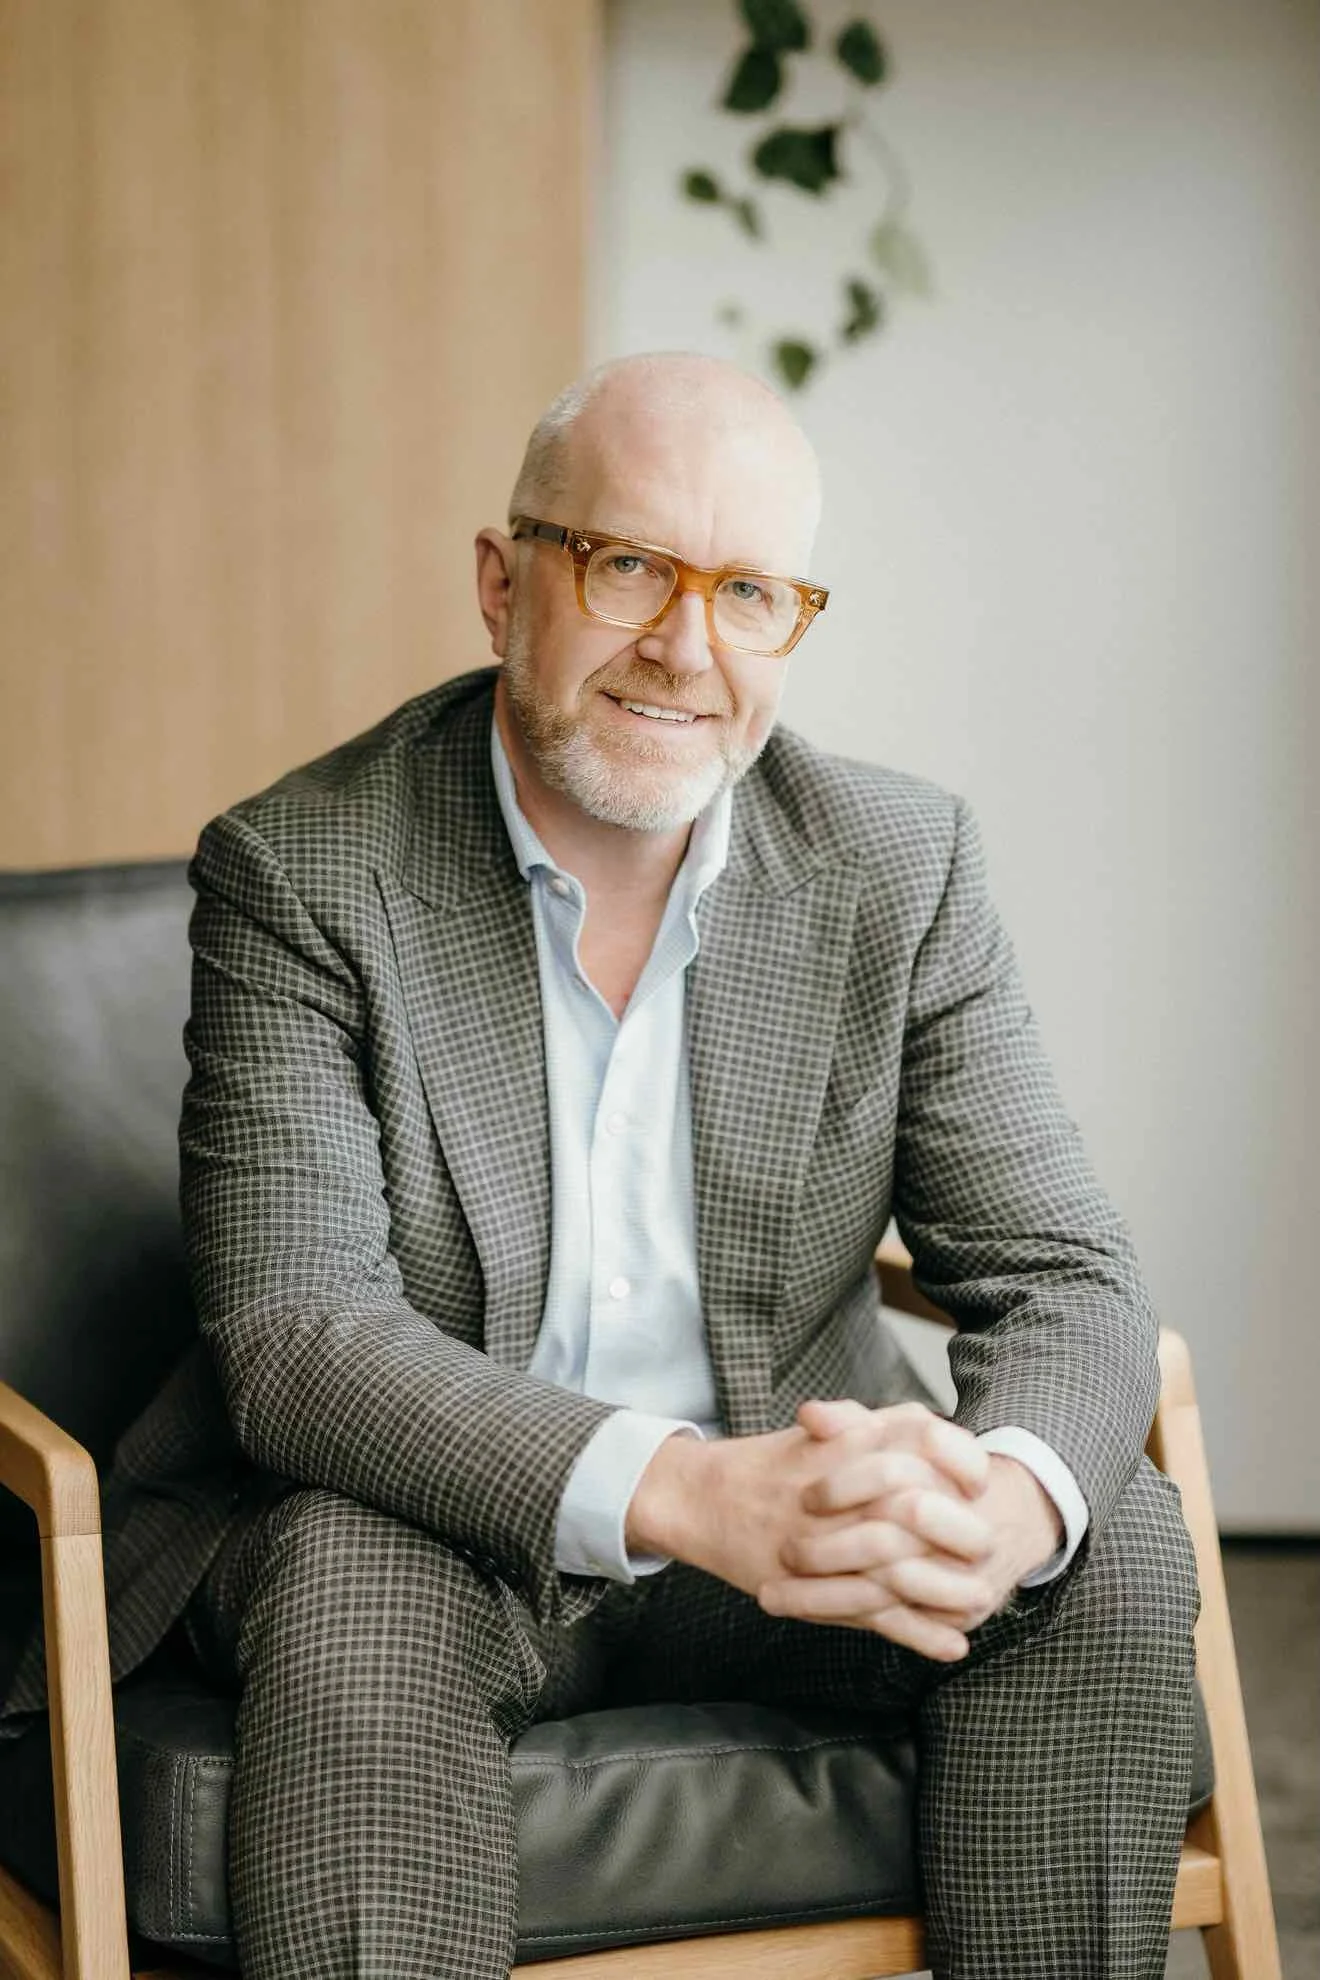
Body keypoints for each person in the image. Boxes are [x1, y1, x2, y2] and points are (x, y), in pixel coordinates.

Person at [3, 352, 1198, 1978]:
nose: (686, 647)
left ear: (793, 623)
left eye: (751, 591)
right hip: (442, 1528)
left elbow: (1061, 1266)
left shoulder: (898, 869)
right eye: (629, 563)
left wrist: (1002, 1501)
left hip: (785, 1540)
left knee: (1100, 1527)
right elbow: (298, 1340)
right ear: (505, 583)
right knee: (350, 1563)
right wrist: (698, 1493)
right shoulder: (304, 870)